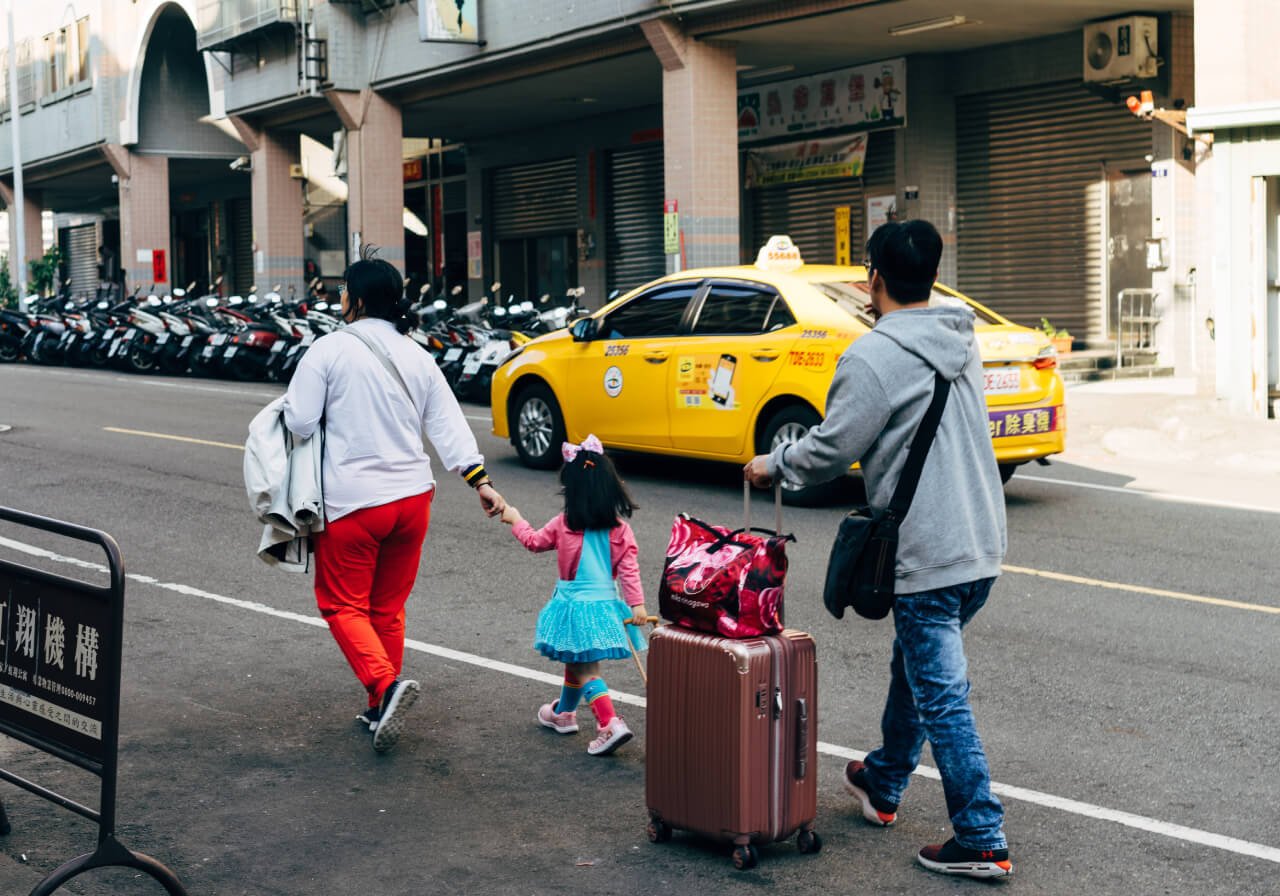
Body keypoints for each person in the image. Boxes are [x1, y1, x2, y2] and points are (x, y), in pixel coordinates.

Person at [744, 220, 1011, 879]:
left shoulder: (873, 357)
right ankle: (885, 779)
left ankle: (981, 835)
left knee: (941, 692)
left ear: (875, 279)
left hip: (930, 554)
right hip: (982, 546)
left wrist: (773, 464)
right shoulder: (959, 338)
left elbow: (834, 447)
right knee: (916, 666)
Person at [283, 247, 506, 754]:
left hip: (354, 503)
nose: (339, 298)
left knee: (341, 604)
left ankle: (385, 688)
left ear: (357, 300)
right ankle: (379, 704)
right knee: (387, 607)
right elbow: (448, 425)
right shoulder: (417, 354)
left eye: (343, 291)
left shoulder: (328, 350)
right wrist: (480, 482)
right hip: (413, 502)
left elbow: (297, 421)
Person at [500, 435, 649, 756]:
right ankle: (563, 714)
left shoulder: (564, 524)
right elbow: (629, 569)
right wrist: (636, 604)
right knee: (577, 659)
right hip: (604, 607)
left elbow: (534, 542)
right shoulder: (620, 529)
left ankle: (609, 722)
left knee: (586, 670)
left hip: (572, 607)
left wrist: (516, 519)